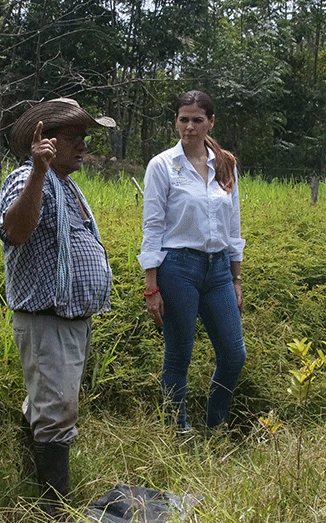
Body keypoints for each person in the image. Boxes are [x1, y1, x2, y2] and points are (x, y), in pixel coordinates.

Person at [0, 97, 115, 516]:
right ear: (45, 140)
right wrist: (38, 172)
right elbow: (15, 231)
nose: (83, 146)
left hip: (70, 320)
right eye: (74, 138)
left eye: (84, 137)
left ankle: (28, 468)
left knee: (50, 403)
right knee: (58, 411)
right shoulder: (26, 178)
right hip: (46, 319)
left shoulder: (68, 185)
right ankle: (53, 511)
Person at [138, 90, 246, 433]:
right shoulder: (163, 166)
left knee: (233, 353)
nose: (189, 127)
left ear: (211, 122)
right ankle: (177, 431)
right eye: (183, 119)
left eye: (197, 120)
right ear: (176, 121)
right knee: (178, 355)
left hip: (217, 270)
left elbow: (233, 225)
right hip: (177, 267)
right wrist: (151, 286)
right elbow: (153, 226)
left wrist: (236, 277)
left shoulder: (224, 164)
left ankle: (215, 424)